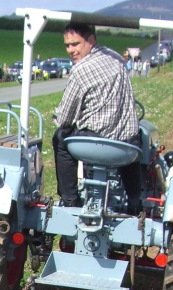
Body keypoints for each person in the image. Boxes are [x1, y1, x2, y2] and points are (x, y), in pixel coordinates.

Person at [52, 22, 139, 211]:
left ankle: (70, 201)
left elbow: (65, 118)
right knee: (137, 138)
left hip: (96, 141)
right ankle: (135, 201)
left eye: (75, 44)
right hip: (127, 143)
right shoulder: (116, 57)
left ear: (90, 40)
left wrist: (58, 119)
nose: (70, 50)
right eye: (67, 45)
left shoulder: (80, 70)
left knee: (60, 138)